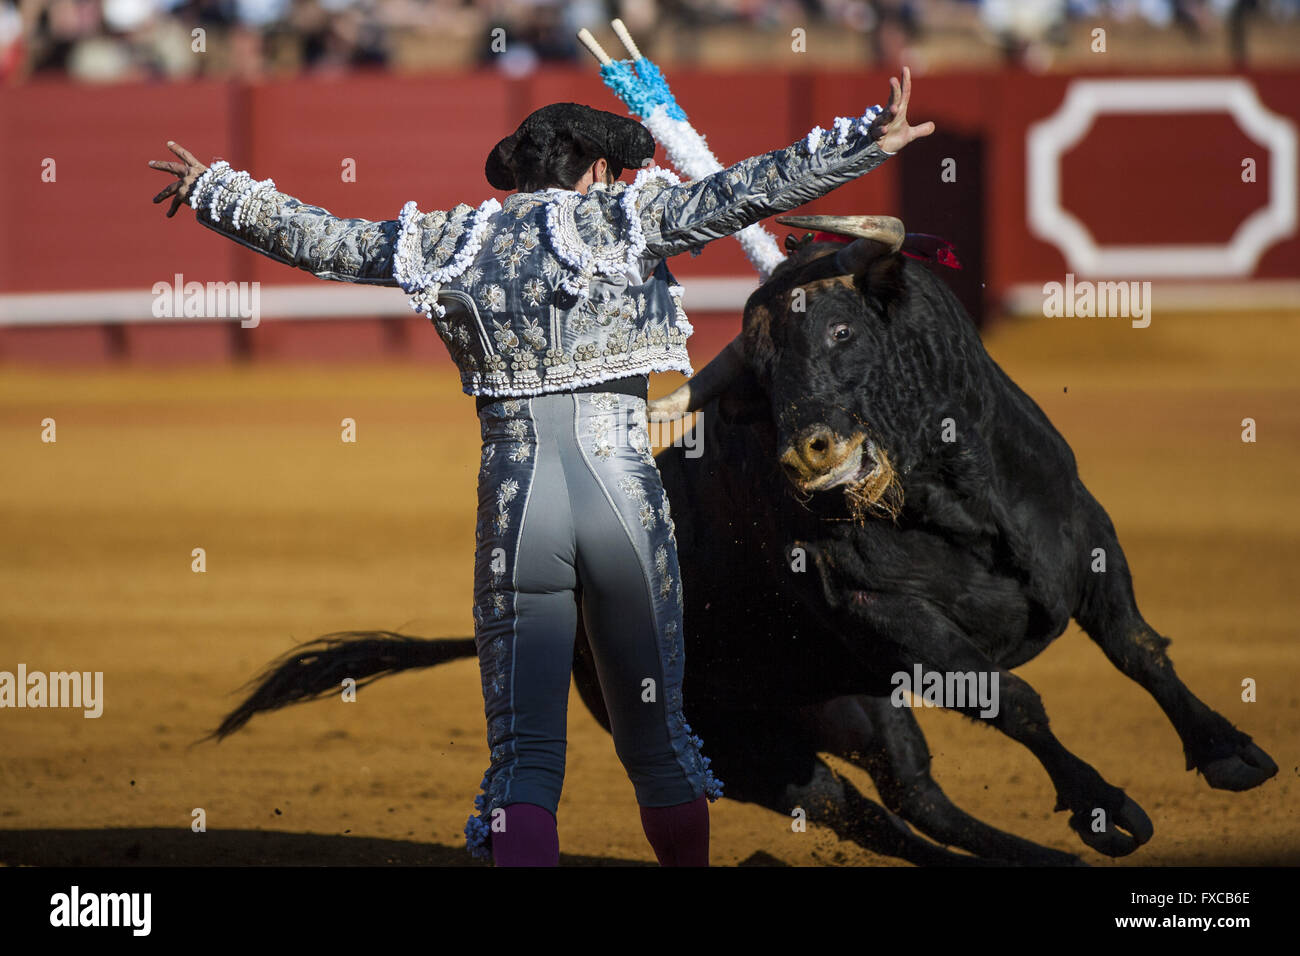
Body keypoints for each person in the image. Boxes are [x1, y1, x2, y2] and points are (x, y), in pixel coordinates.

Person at [148, 67, 933, 867]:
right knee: (658, 746)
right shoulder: (627, 217)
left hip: (517, 502)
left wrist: (213, 189)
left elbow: (327, 241)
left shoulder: (448, 240)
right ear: (594, 168)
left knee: (524, 762)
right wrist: (867, 137)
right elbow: (746, 190)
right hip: (620, 496)